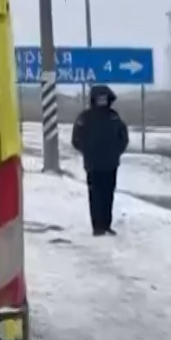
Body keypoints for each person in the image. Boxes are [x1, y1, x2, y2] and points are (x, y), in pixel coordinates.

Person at [70, 84, 130, 236]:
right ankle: (98, 227)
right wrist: (87, 152)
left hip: (110, 164)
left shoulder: (114, 117)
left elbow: (123, 138)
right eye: (100, 98)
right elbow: (76, 139)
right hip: (93, 164)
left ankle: (106, 224)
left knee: (108, 194)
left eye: (105, 98)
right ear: (94, 99)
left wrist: (116, 152)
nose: (102, 101)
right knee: (96, 194)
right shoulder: (85, 117)